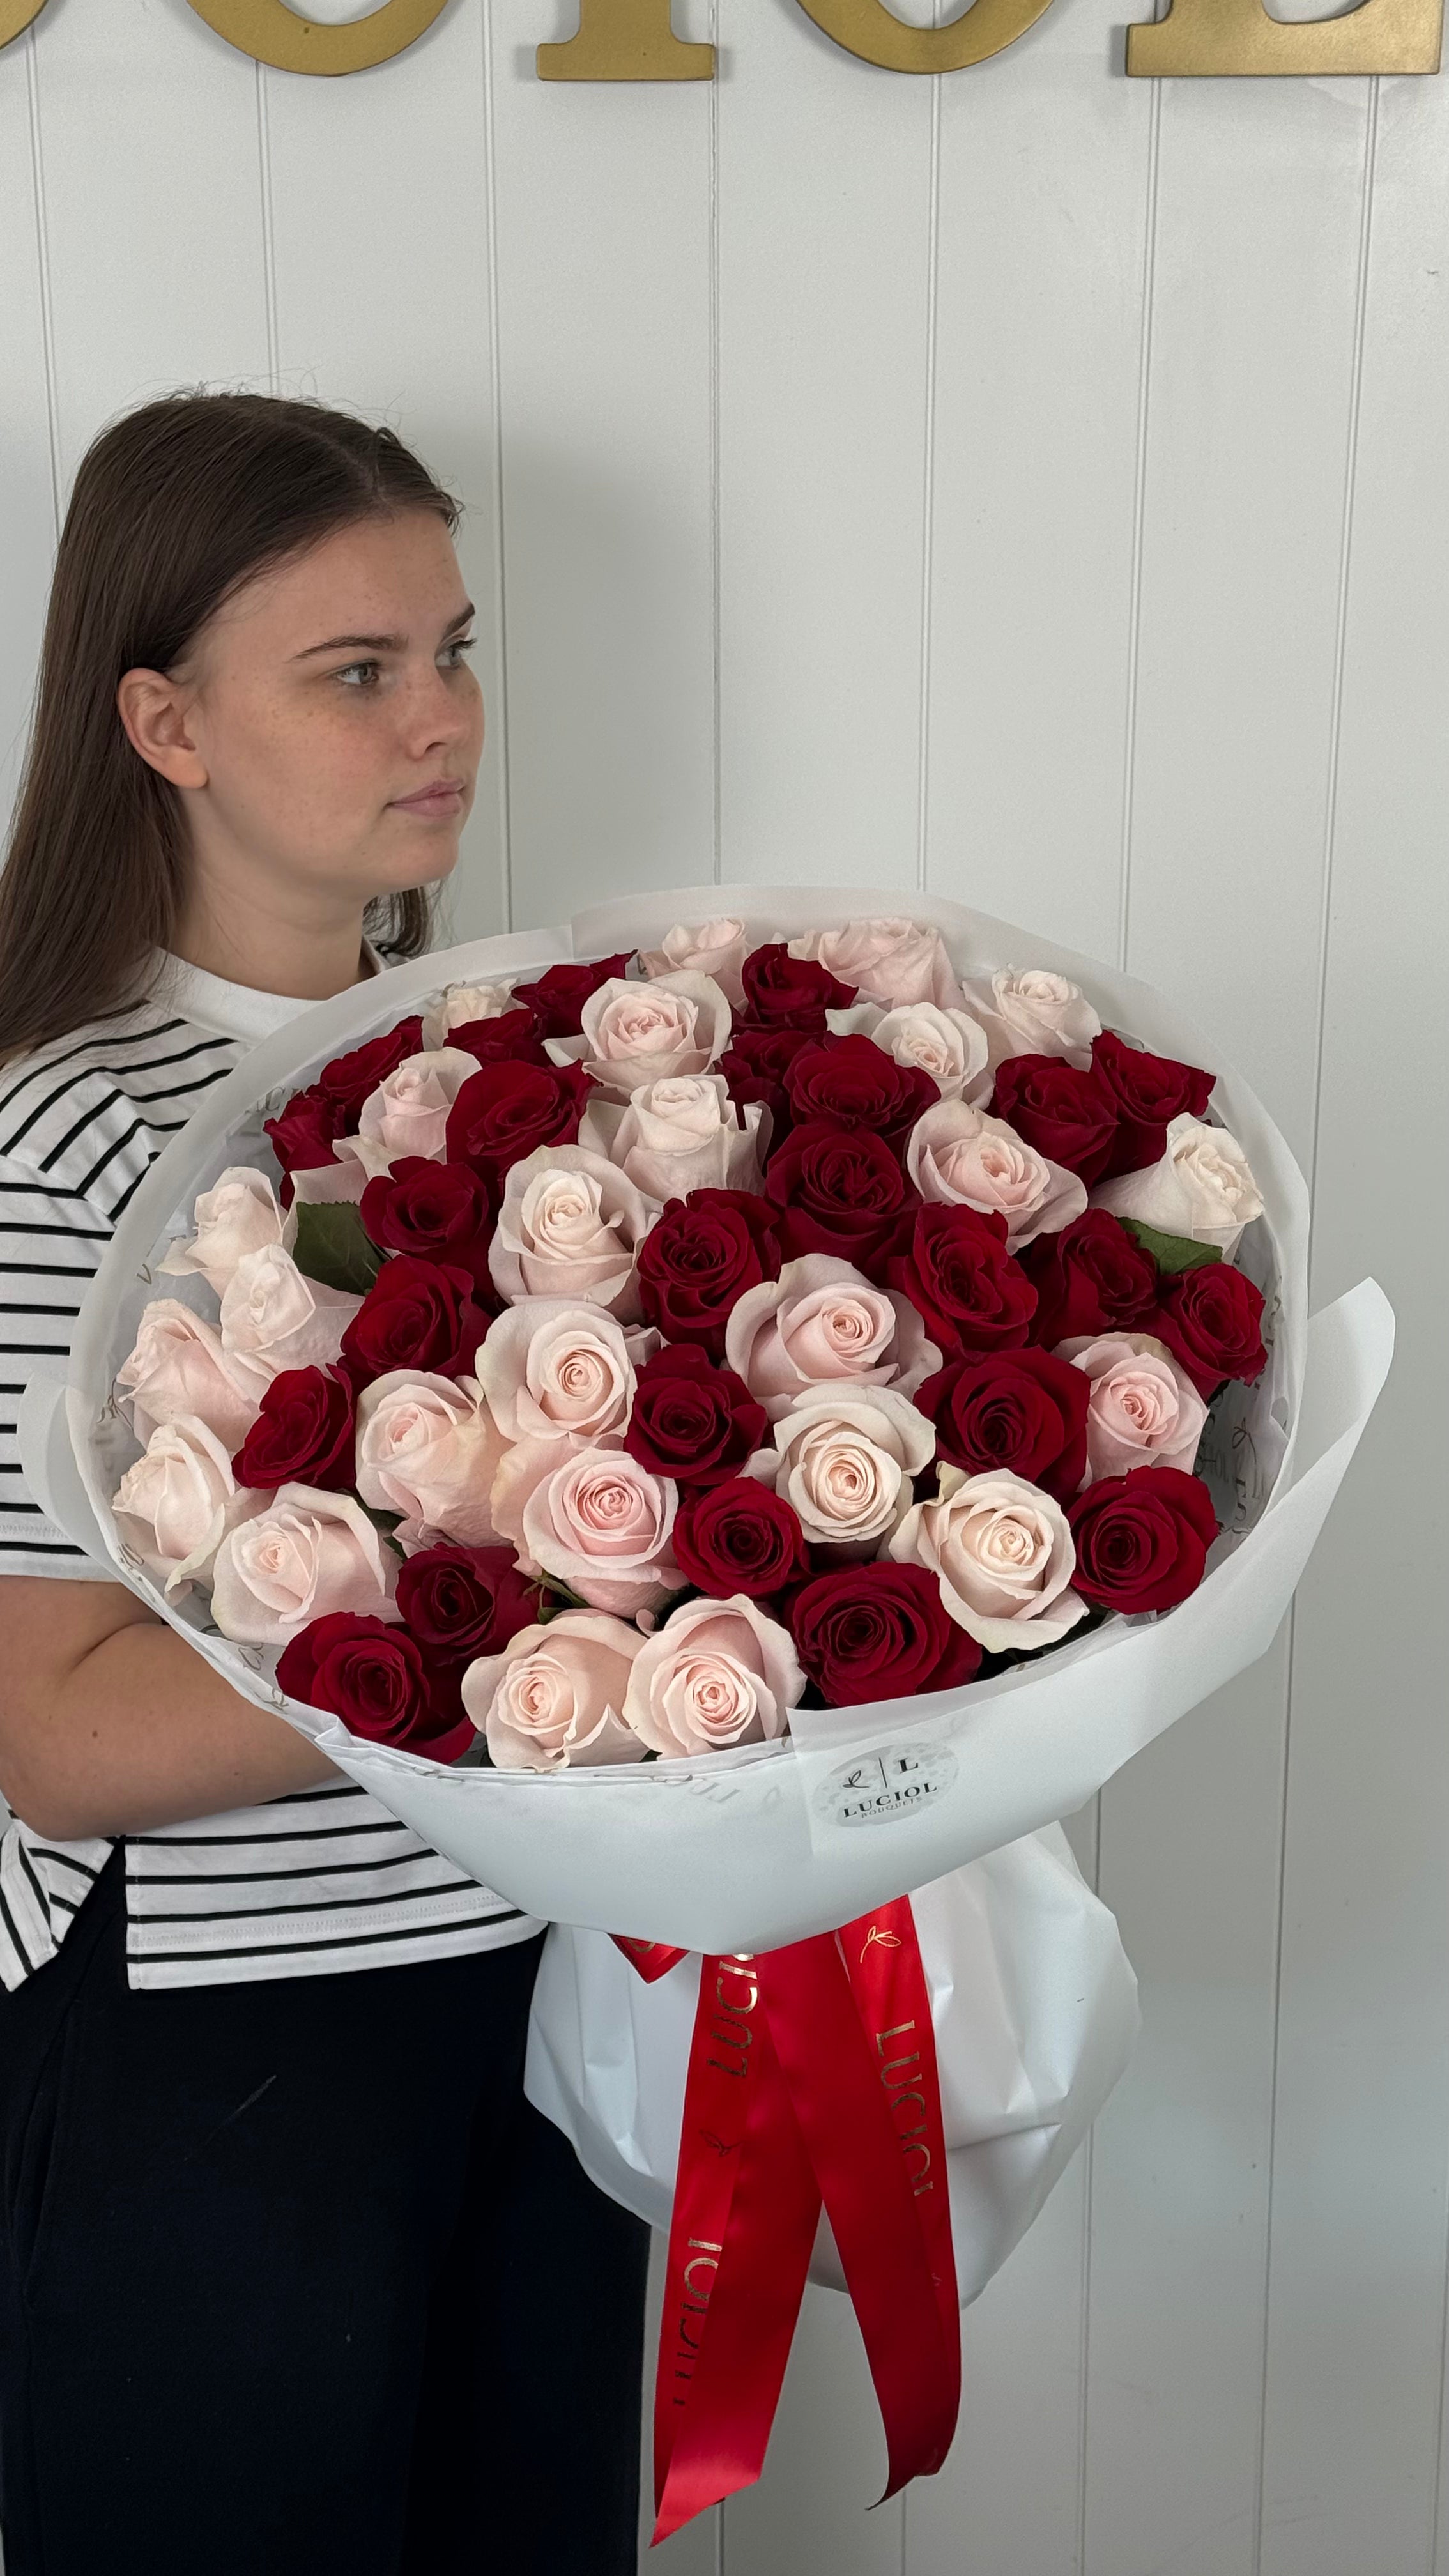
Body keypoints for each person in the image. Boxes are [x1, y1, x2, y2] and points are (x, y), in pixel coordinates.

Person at [0, 390, 649, 2574]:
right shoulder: (64, 1133)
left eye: (452, 651)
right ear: (164, 722)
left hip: (532, 1996)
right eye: (354, 672)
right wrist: (531, 1623)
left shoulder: (508, 1068)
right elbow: (62, 1739)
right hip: (222, 2043)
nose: (436, 720)